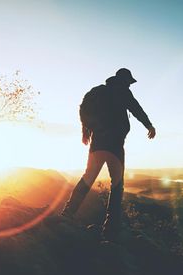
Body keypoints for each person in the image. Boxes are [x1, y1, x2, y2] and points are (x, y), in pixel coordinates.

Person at [60, 68, 156, 242]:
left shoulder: (97, 91)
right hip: (115, 145)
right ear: (123, 81)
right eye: (128, 82)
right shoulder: (124, 93)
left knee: (88, 177)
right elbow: (136, 110)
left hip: (97, 143)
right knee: (117, 184)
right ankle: (111, 228)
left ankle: (68, 213)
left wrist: (87, 129)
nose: (129, 85)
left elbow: (83, 108)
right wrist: (149, 125)